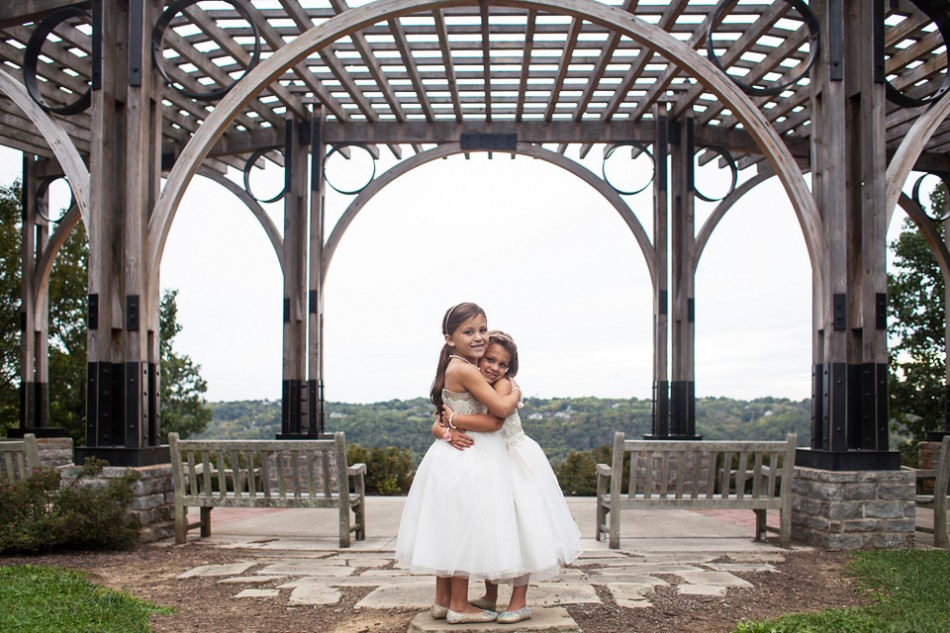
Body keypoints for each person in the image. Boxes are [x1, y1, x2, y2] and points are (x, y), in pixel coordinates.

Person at [437, 330, 582, 624]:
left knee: (521, 527)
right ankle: (490, 596)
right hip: (492, 462)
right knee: (494, 528)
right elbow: (438, 420)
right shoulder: (475, 382)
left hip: (515, 458)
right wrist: (443, 428)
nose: (495, 368)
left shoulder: (503, 385)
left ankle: (519, 601)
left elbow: (495, 419)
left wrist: (454, 419)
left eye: (503, 364)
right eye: (490, 359)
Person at [394, 302, 524, 625]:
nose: (479, 337)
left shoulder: (457, 366)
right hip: (467, 457)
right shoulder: (465, 369)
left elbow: (439, 422)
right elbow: (498, 413)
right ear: (450, 338)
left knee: (449, 527)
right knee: (462, 527)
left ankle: (442, 600)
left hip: (450, 454)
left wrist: (449, 428)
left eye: (482, 329)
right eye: (469, 332)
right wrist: (515, 392)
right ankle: (460, 605)